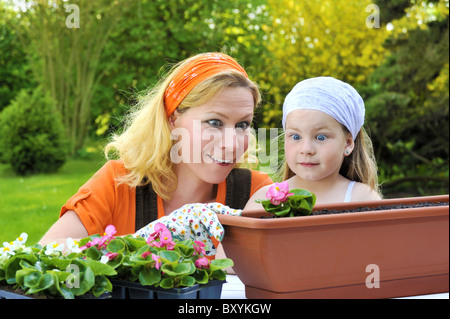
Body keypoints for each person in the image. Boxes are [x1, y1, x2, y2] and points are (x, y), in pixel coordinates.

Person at [39, 52, 273, 249]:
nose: (232, 144)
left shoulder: (256, 192)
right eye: (214, 122)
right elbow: (47, 253)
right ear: (173, 119)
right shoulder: (119, 183)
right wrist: (149, 243)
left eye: (242, 125)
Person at [245, 76, 381, 209]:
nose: (306, 149)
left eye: (321, 137)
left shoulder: (363, 199)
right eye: (296, 137)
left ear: (348, 143)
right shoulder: (263, 201)